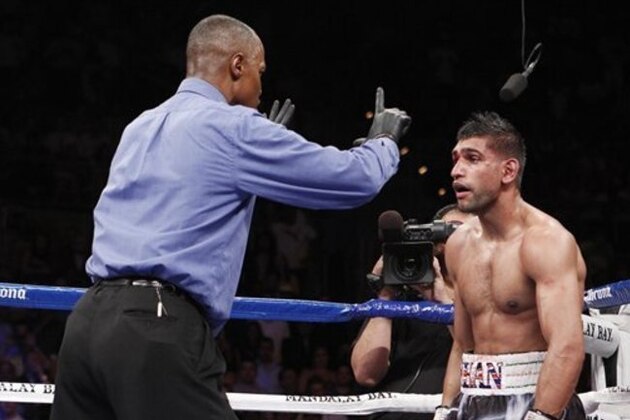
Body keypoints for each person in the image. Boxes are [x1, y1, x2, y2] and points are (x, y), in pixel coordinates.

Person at [50, 14, 412, 420]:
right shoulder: (233, 127)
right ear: (237, 65)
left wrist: (256, 162)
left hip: (87, 323)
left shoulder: (141, 125)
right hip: (155, 324)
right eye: (260, 72)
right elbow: (352, 180)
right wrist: (383, 143)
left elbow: (190, 205)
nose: (261, 87)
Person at [436, 111, 586, 419]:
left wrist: (541, 415)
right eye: (455, 159)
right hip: (474, 400)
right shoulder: (458, 245)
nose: (456, 171)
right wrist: (445, 408)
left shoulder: (546, 242)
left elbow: (566, 346)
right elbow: (462, 346)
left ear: (508, 171)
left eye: (472, 158)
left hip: (537, 399)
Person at [350, 204, 471, 420]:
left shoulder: (489, 299)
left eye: (465, 231)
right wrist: (386, 296)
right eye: (450, 230)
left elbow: (479, 362)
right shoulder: (404, 296)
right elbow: (365, 374)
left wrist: (442, 304)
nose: (458, 238)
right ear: (437, 244)